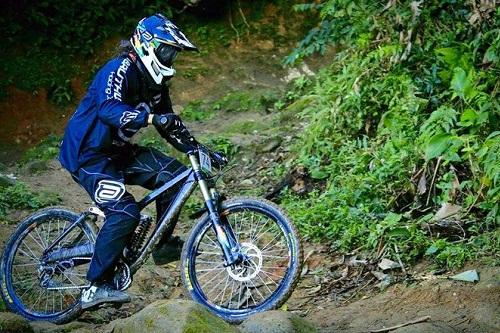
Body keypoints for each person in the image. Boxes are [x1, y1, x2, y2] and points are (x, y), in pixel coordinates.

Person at [59, 13, 199, 309]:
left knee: (175, 176)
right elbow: (108, 108)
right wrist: (148, 117)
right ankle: (95, 286)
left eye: (174, 53)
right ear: (148, 45)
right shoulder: (119, 68)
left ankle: (161, 245)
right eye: (167, 50)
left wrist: (197, 149)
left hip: (116, 152)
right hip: (88, 154)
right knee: (125, 212)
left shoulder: (155, 84)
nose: (171, 57)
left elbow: (168, 123)